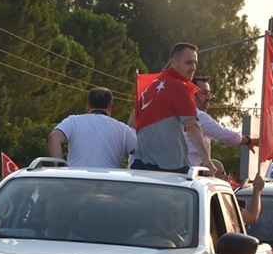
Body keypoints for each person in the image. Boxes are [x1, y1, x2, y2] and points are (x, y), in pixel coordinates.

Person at [130, 43, 222, 175]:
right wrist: (206, 159)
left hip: (141, 166)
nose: (193, 68)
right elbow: (192, 126)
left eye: (195, 63)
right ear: (174, 63)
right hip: (169, 169)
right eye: (188, 63)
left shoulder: (150, 87)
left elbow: (133, 122)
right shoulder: (180, 87)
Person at [48, 87, 137, 168]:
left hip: (76, 180)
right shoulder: (122, 128)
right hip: (109, 182)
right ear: (110, 107)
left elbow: (53, 137)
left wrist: (60, 166)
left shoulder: (73, 121)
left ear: (88, 105)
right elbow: (139, 150)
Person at [186, 77, 259, 168]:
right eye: (204, 93)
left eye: (209, 93)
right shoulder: (198, 116)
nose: (209, 97)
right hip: (191, 175)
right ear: (192, 95)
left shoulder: (177, 113)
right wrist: (249, 141)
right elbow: (225, 135)